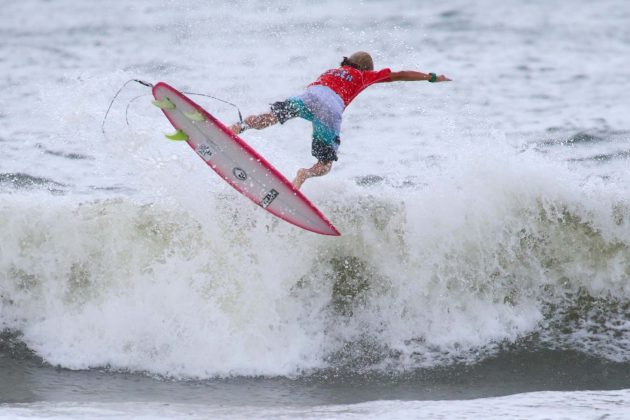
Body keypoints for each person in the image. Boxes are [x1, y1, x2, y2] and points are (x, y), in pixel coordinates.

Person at [230, 51, 451, 189]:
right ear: (367, 69)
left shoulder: (333, 69)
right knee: (325, 165)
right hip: (331, 108)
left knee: (271, 117)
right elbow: (400, 74)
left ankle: (239, 126)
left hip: (311, 95)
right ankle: (303, 175)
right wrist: (431, 77)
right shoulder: (365, 76)